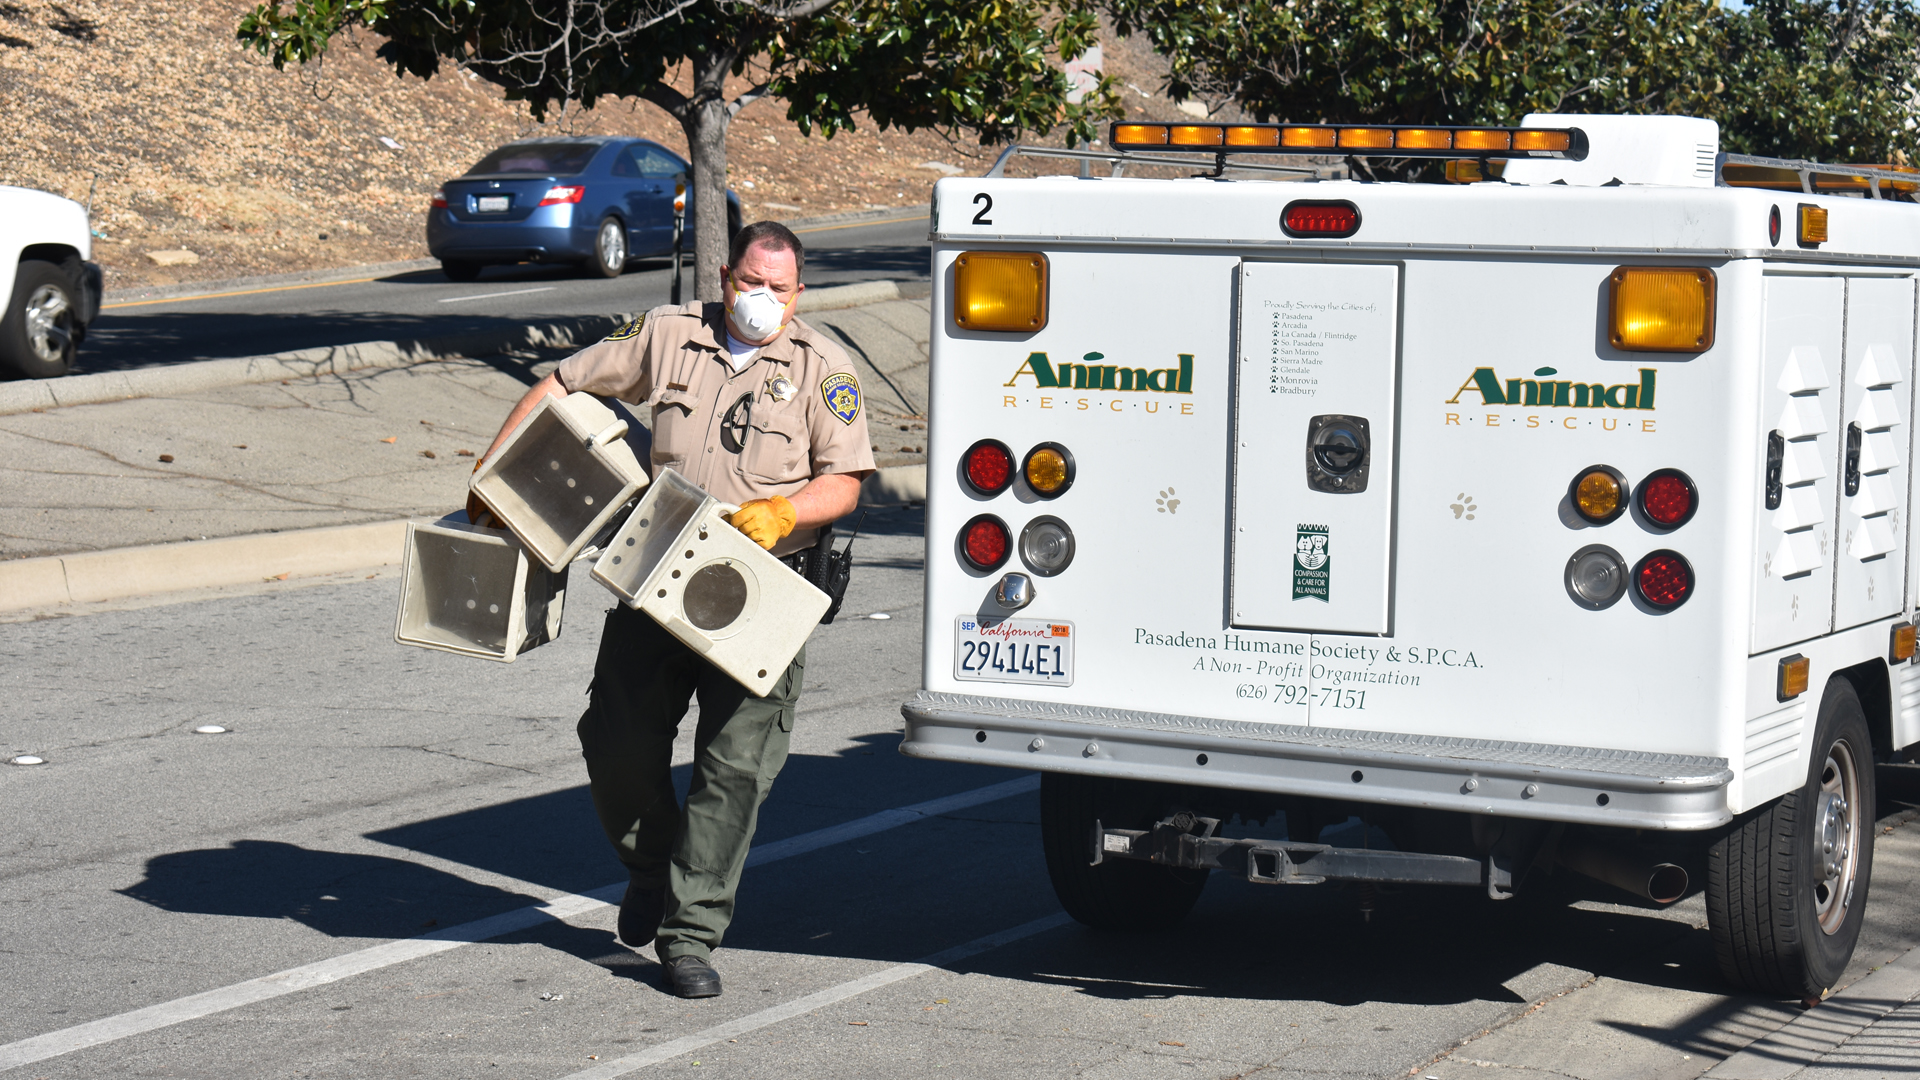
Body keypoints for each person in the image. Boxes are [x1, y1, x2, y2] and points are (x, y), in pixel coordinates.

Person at [472, 221, 874, 998]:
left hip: (762, 585)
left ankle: (689, 936)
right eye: (750, 283)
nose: (762, 299)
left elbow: (847, 479)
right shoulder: (669, 334)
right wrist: (494, 471)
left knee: (733, 769)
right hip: (658, 568)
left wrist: (787, 512)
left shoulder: (824, 365)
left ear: (800, 293)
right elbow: (562, 384)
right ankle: (651, 868)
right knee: (615, 741)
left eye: (779, 289)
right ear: (726, 277)